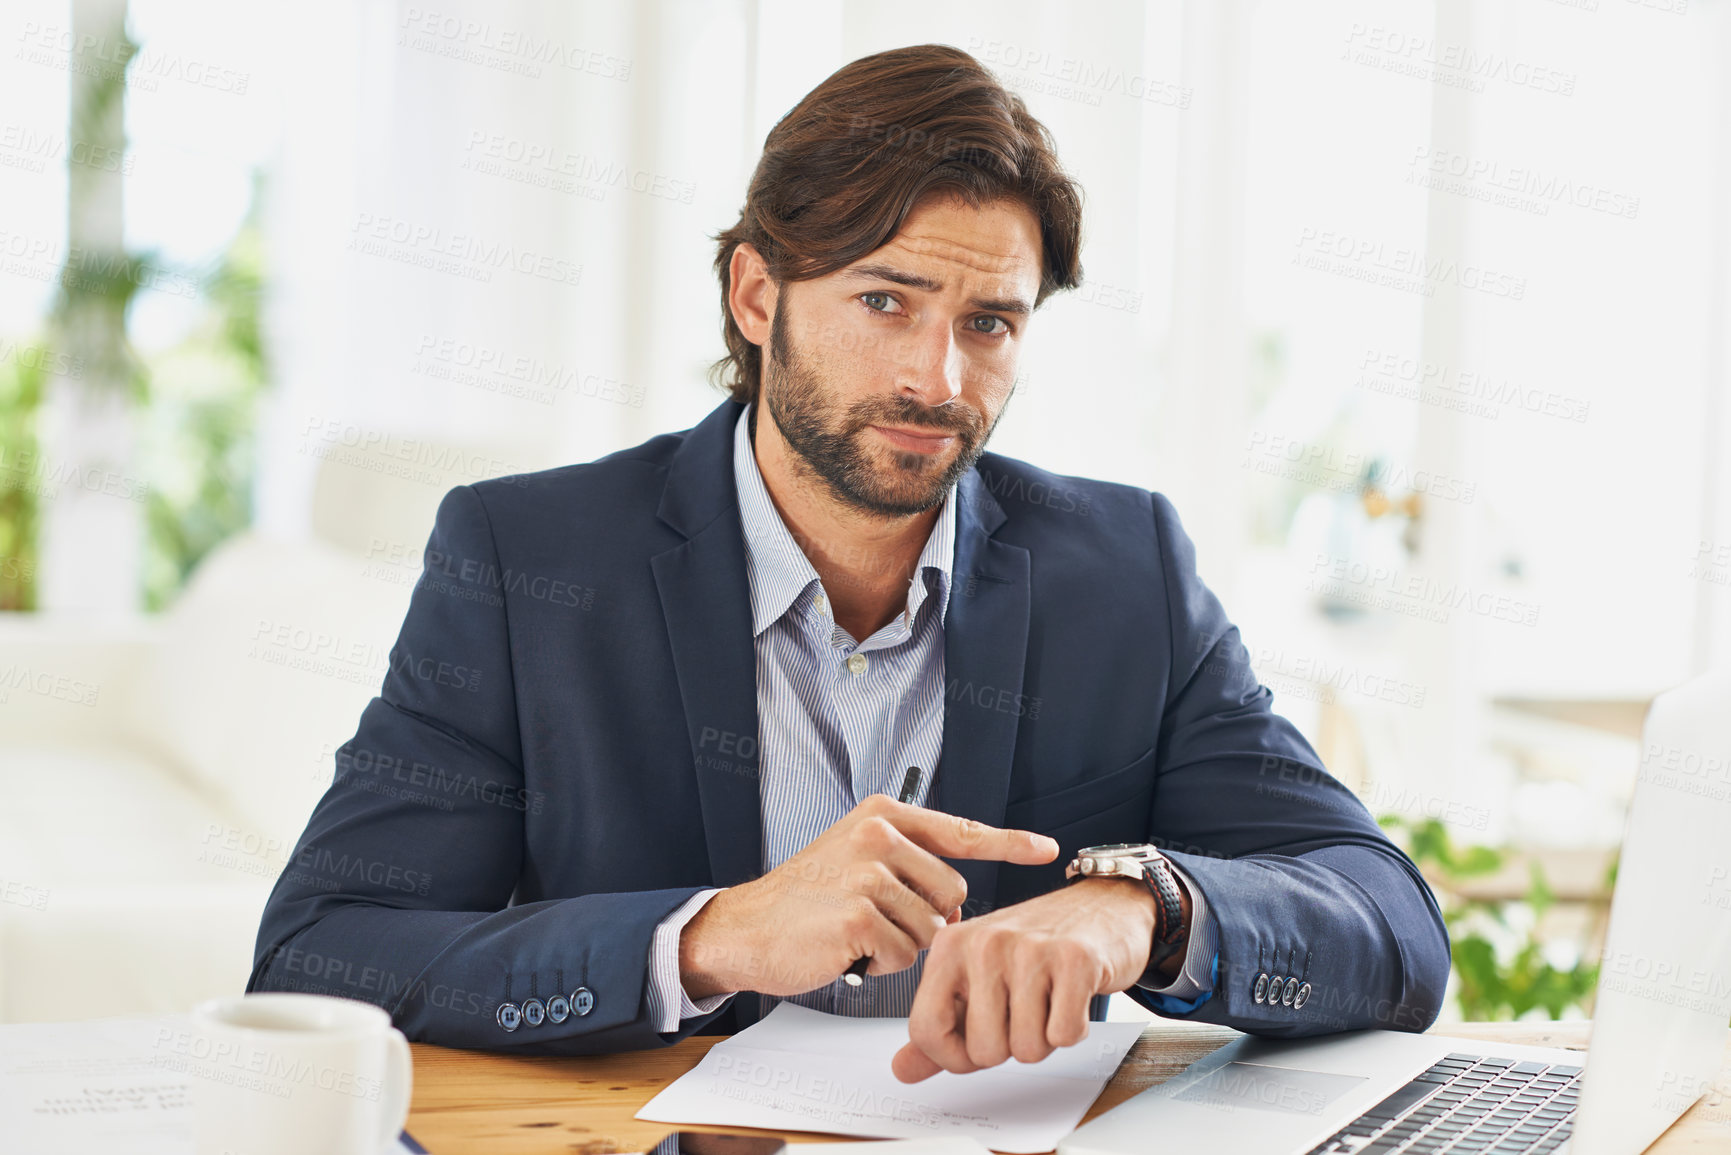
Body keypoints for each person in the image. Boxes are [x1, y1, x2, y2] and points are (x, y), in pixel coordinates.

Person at [250, 43, 1449, 1082]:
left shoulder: (1127, 569)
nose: (940, 381)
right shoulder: (527, 562)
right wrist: (708, 937)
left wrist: (1143, 908)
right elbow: (323, 952)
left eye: (991, 323)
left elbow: (1388, 917)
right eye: (887, 301)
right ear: (758, 293)